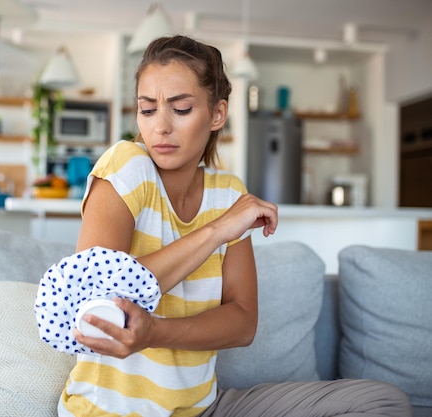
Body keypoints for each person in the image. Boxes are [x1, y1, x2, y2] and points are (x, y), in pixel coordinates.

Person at [57, 35, 411, 417]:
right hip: (109, 411)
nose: (159, 127)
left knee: (383, 401)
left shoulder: (228, 194)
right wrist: (215, 232)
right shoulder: (125, 166)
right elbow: (95, 299)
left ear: (217, 114)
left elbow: (242, 323)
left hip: (205, 408)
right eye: (147, 109)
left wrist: (155, 333)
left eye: (181, 109)